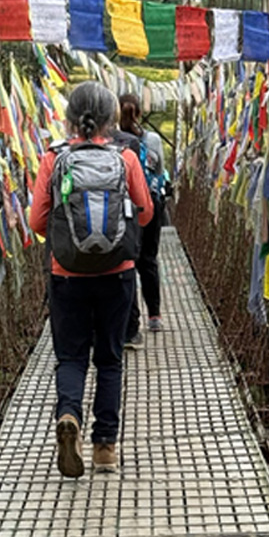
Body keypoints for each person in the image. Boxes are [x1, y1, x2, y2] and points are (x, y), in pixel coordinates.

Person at [28, 81, 153, 477]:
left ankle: (69, 416)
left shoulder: (54, 158)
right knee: (110, 359)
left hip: (66, 274)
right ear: (111, 118)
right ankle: (105, 448)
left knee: (71, 356)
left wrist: (69, 240)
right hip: (117, 274)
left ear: (70, 117)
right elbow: (146, 214)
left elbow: (36, 222)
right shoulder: (127, 157)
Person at [119, 92, 168, 348]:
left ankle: (130, 323)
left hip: (123, 208)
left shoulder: (115, 141)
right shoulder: (153, 139)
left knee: (126, 261)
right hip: (150, 203)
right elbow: (160, 171)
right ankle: (155, 316)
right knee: (148, 259)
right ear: (139, 112)